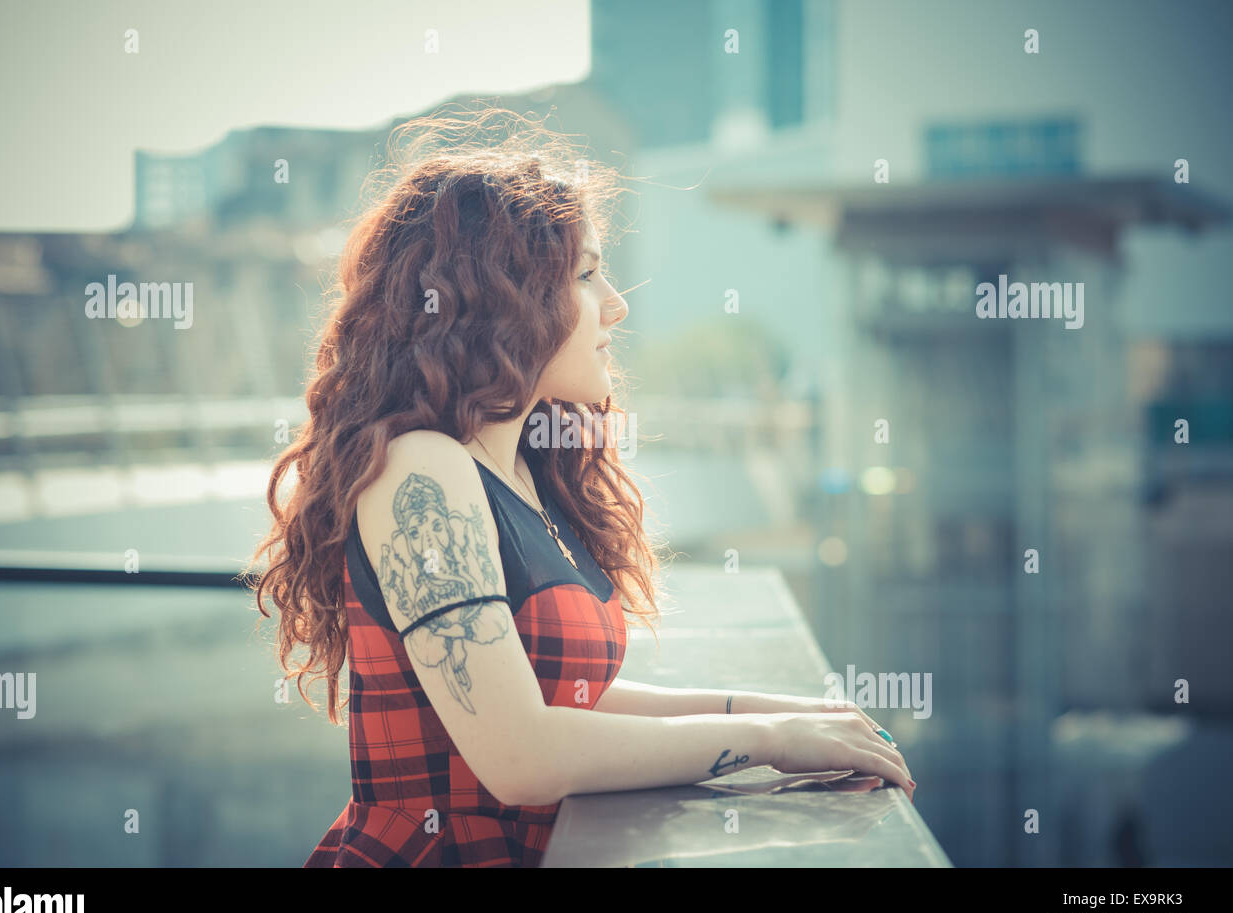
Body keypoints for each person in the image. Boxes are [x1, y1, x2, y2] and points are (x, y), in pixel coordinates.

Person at [250, 106, 914, 867]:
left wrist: (788, 715)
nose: (617, 305)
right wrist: (764, 740)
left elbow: (568, 700)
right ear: (501, 297)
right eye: (589, 274)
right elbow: (521, 753)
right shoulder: (420, 472)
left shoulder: (523, 468)